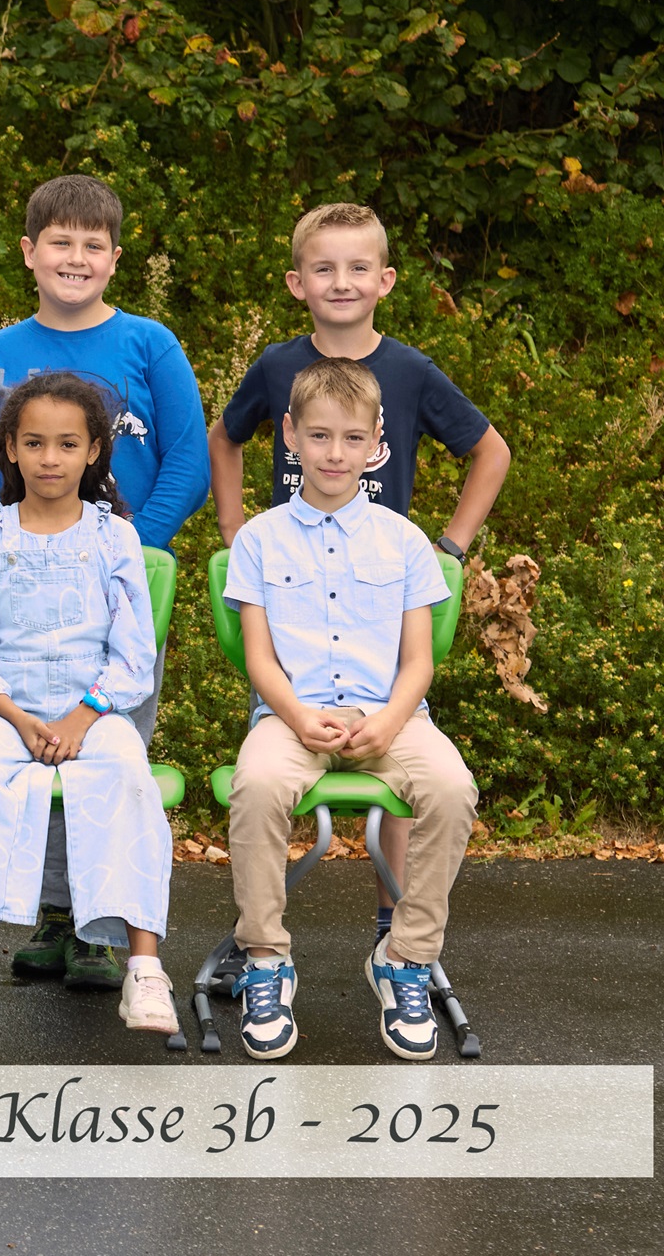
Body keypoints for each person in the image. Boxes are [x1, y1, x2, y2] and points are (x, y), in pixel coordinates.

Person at [211, 201, 509, 945]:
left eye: (357, 267)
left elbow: (491, 450)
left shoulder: (408, 371)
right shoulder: (278, 367)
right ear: (297, 282)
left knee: (408, 768)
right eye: (324, 268)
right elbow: (226, 435)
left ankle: (393, 927)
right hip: (294, 586)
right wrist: (234, 529)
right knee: (270, 770)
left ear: (385, 280)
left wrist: (450, 546)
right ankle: (262, 948)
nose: (341, 281)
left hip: (382, 577)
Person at [0, 172, 208, 991]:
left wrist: (122, 550)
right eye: (60, 241)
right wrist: (13, 544)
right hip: (24, 589)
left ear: (115, 258)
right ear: (30, 252)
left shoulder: (149, 343)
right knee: (30, 748)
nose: (76, 256)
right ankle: (55, 917)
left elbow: (189, 460)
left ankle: (100, 927)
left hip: (116, 590)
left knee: (102, 749)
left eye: (93, 244)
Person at [0, 374, 177, 1035]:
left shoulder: (115, 539)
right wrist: (16, 716)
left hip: (96, 713)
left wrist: (84, 715)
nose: (50, 458)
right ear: (10, 450)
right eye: (34, 443)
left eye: (67, 444)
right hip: (6, 714)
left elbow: (133, 651)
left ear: (94, 452)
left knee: (128, 775)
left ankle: (145, 970)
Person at [223, 357, 477, 1062]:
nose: (335, 453)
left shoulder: (404, 541)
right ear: (290, 436)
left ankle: (405, 958)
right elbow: (260, 660)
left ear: (376, 446)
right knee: (257, 784)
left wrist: (389, 721)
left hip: (390, 716)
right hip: (291, 716)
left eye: (352, 438)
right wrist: (300, 717)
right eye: (320, 435)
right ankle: (265, 959)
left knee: (452, 786)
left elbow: (418, 662)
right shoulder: (258, 539)